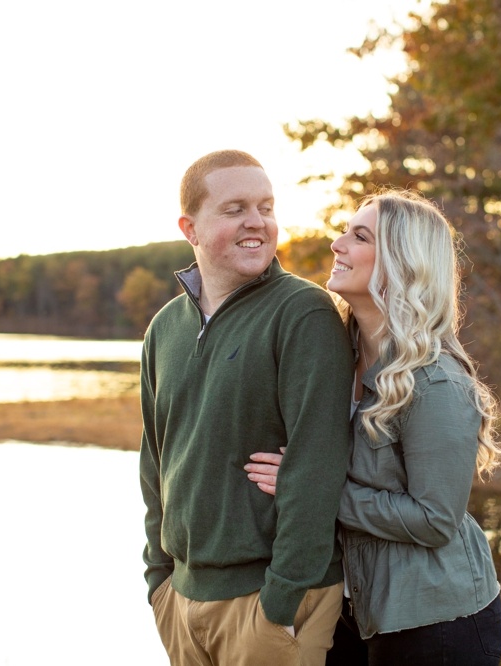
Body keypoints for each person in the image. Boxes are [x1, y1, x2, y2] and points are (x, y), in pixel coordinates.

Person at [245, 189, 501, 665]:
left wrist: (307, 490)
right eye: (345, 231)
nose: (336, 244)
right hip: (350, 609)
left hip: (435, 619)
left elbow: (435, 519)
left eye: (359, 236)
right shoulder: (334, 355)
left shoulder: (435, 381)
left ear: (400, 262)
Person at [139, 149, 354, 666]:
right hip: (183, 599)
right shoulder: (165, 328)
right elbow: (155, 460)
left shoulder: (301, 312)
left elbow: (318, 464)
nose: (257, 222)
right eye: (235, 209)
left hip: (272, 599)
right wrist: (158, 579)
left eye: (266, 206)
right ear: (190, 227)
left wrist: (280, 601)